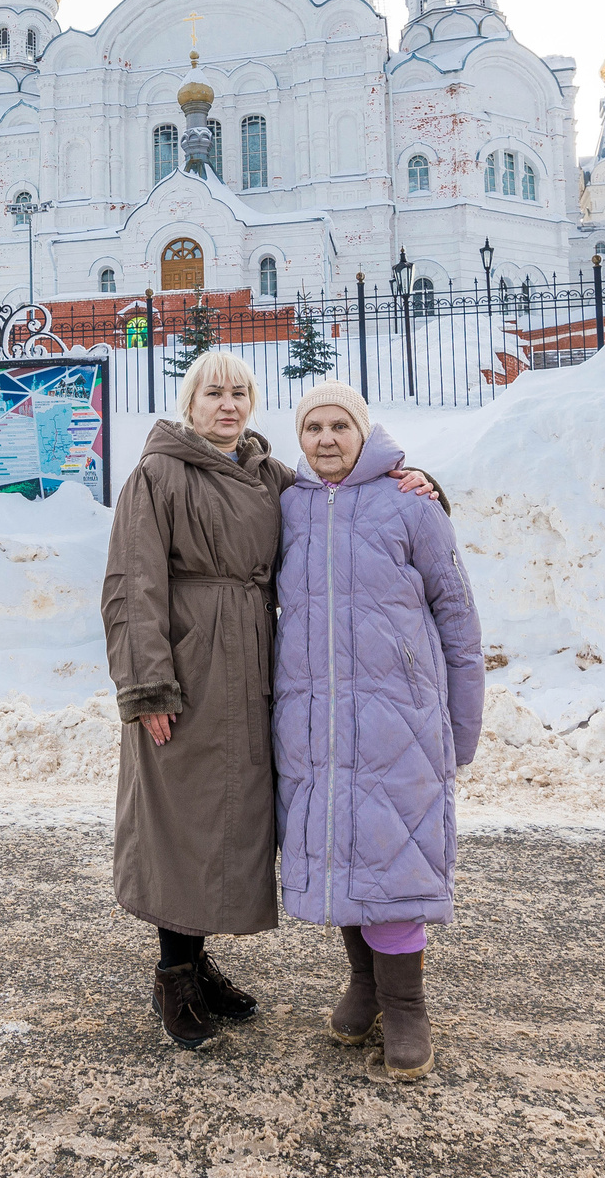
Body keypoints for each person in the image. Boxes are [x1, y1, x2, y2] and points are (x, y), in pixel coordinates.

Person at [103, 350, 438, 1050]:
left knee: (234, 818)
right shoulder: (157, 474)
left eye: (239, 392)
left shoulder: (269, 477)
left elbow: (340, 499)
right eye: (212, 392)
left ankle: (199, 960)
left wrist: (422, 483)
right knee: (183, 817)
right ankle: (174, 974)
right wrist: (148, 683)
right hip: (187, 668)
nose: (226, 404)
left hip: (253, 665)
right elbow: (131, 584)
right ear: (190, 401)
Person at [274, 381, 483, 1081]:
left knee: (392, 856)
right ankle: (363, 983)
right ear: (299, 438)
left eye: (340, 425)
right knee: (342, 850)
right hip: (316, 718)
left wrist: (461, 726)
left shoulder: (410, 503)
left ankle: (406, 1004)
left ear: (364, 432)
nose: (327, 439)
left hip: (399, 718)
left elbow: (457, 615)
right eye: (313, 427)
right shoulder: (290, 506)